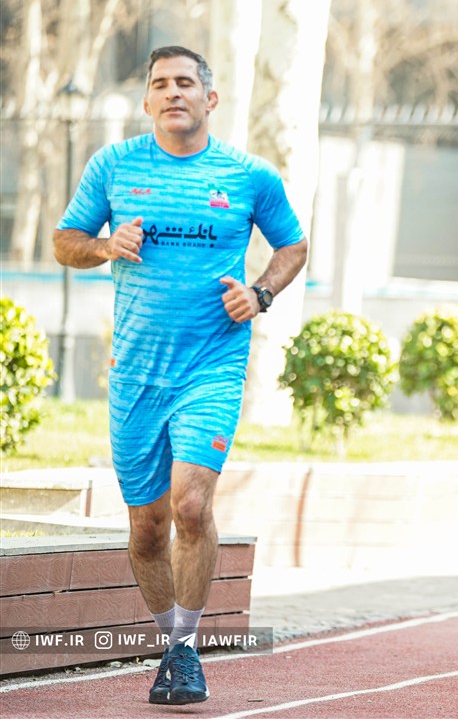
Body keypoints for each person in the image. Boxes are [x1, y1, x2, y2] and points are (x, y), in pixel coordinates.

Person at [54, 46, 308, 706]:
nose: (173, 92)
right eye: (161, 84)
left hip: (212, 366)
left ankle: (185, 651)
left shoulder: (248, 175)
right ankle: (171, 642)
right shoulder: (113, 165)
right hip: (136, 375)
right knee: (147, 529)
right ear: (147, 101)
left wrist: (260, 293)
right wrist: (105, 245)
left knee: (191, 506)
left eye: (186, 83)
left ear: (209, 99)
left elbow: (293, 244)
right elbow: (65, 240)